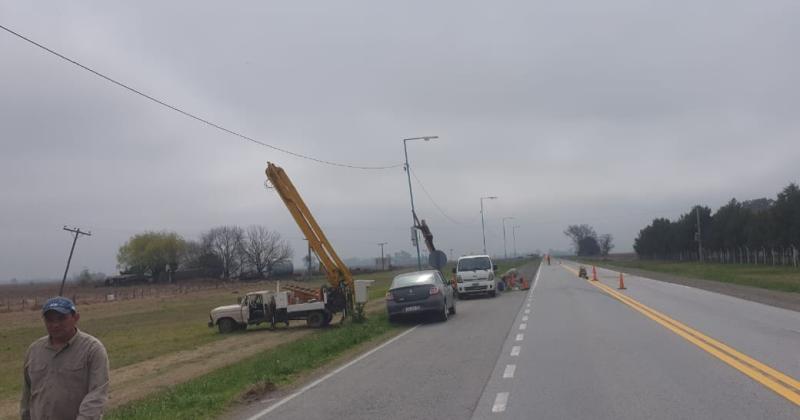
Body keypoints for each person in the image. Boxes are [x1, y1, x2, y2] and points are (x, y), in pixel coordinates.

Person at [20, 297, 109, 420]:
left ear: (76, 318)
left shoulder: (92, 349)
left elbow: (97, 394)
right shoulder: (34, 350)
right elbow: (27, 395)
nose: (55, 325)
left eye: (61, 319)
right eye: (49, 320)